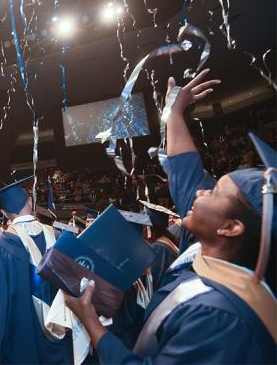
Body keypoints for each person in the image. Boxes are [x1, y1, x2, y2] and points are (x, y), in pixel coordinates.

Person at [64, 70, 276, 364]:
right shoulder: (209, 249)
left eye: (214, 193)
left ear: (230, 227)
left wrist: (92, 323)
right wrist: (173, 110)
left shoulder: (221, 320)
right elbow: (184, 167)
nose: (201, 192)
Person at [0, 177, 73, 364]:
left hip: (22, 348)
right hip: (62, 344)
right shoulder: (58, 237)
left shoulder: (0, 248)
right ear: (31, 202)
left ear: (2, 212)